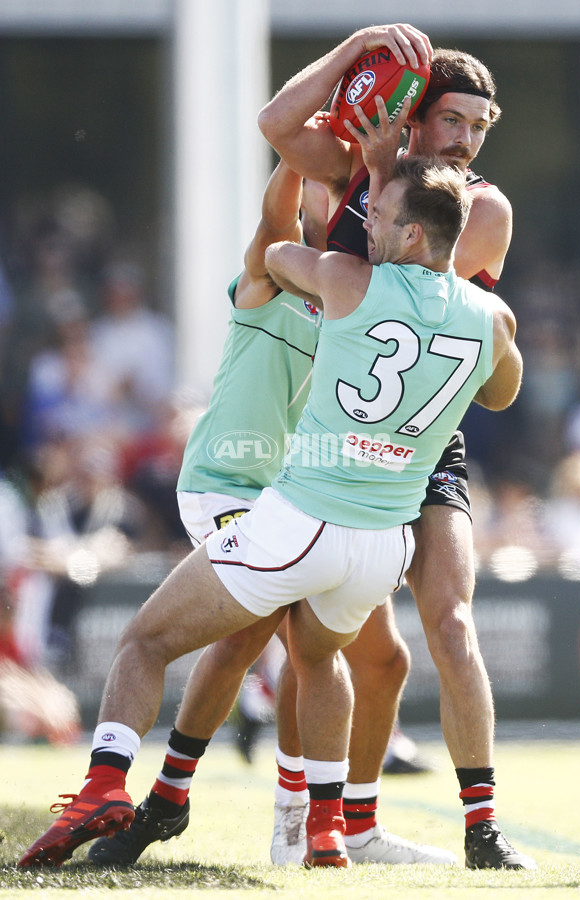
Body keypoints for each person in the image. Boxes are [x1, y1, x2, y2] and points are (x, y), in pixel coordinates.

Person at [19, 155, 523, 870]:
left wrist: (311, 165)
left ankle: (104, 783)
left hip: (302, 519)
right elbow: (501, 393)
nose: (364, 222)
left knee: (146, 642)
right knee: (317, 659)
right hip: (382, 547)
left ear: (412, 234)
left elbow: (277, 251)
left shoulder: (349, 280)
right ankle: (323, 829)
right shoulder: (494, 316)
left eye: (376, 215)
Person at [258, 23, 535, 870]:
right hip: (328, 436)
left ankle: (482, 827)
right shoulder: (354, 170)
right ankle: (304, 817)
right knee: (342, 654)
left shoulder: (479, 204)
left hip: (420, 439)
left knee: (450, 622)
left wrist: (376, 175)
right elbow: (275, 126)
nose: (468, 140)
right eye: (453, 121)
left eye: (481, 128)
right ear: (413, 116)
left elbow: (414, 291)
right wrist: (356, 53)